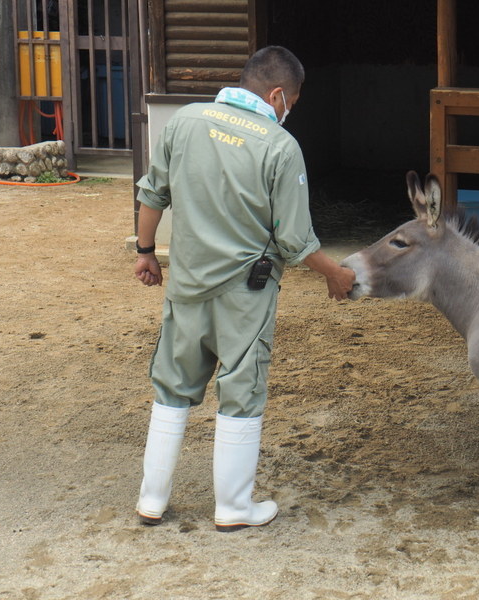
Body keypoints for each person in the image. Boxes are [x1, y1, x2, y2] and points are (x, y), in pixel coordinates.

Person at [133, 46, 355, 531]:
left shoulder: (186, 121)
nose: (289, 110)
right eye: (291, 100)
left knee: (171, 388)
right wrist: (335, 273)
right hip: (245, 296)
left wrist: (146, 252)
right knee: (241, 392)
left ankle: (152, 499)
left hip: (187, 288)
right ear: (278, 94)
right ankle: (233, 507)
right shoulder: (279, 146)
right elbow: (295, 241)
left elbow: (152, 194)